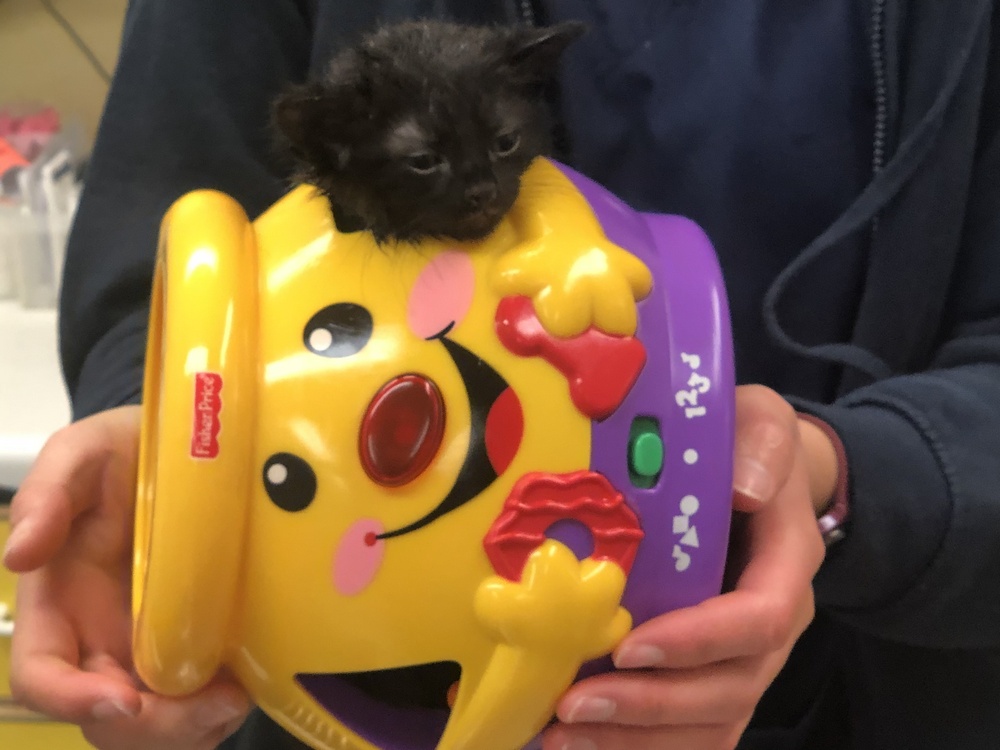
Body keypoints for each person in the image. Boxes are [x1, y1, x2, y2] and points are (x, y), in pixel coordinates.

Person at [4, 0, 999, 748]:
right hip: (368, 677)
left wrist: (851, 477)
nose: (482, 192)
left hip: (870, 684)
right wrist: (163, 460)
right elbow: (165, 258)